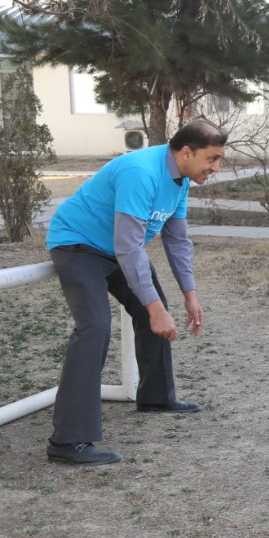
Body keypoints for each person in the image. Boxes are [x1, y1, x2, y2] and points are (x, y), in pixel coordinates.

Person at [44, 119, 227, 465]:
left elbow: (176, 240)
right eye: (213, 159)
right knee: (95, 327)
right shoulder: (140, 171)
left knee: (152, 307)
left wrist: (190, 294)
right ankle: (68, 441)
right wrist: (155, 307)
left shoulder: (181, 179)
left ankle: (156, 397)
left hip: (116, 249)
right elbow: (129, 247)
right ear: (186, 152)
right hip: (78, 244)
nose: (216, 168)